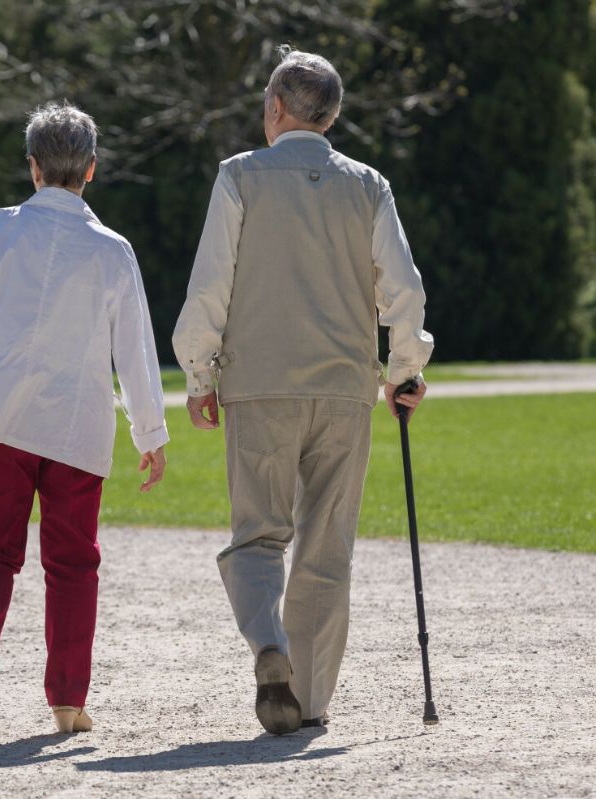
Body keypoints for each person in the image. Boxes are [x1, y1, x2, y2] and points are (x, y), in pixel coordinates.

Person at [172, 47, 434, 736]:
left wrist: (199, 373)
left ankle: (269, 644)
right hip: (346, 388)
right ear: (334, 114)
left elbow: (210, 286)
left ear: (276, 109)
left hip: (259, 385)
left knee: (258, 534)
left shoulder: (239, 178)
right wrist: (404, 368)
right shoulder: (368, 184)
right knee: (326, 545)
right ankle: (310, 697)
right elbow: (402, 288)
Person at [0, 102, 169, 736]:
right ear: (92, 168)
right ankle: (66, 701)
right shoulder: (113, 250)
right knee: (72, 564)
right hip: (75, 424)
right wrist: (150, 434)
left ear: (33, 168)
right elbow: (135, 350)